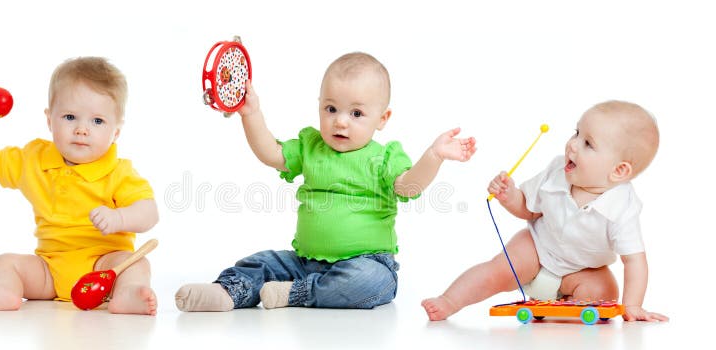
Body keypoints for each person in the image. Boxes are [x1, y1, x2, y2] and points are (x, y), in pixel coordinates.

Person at [176, 52, 476, 311]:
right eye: (331, 109)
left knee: (371, 282)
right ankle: (228, 292)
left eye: (356, 113)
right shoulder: (311, 146)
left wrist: (434, 155)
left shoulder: (384, 158)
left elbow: (409, 186)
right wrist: (251, 114)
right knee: (261, 262)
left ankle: (295, 293)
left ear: (382, 119)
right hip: (304, 261)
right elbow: (271, 153)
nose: (340, 121)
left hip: (366, 262)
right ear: (319, 105)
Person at [422, 100, 668, 322]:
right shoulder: (557, 172)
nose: (572, 144)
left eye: (587, 143)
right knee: (497, 271)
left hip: (582, 272)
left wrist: (633, 305)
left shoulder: (621, 208)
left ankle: (558, 312)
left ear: (619, 171)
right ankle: (450, 301)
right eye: (576, 133)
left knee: (605, 292)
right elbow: (527, 209)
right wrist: (509, 196)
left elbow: (634, 260)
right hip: (536, 250)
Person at [0, 57, 159, 315]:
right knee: (2, 263)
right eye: (70, 117)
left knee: (136, 265)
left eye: (97, 121)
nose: (81, 129)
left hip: (104, 268)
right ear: (49, 120)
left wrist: (119, 218)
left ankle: (126, 294)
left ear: (116, 132)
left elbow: (149, 212)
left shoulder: (118, 172)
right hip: (49, 269)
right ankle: (5, 290)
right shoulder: (34, 159)